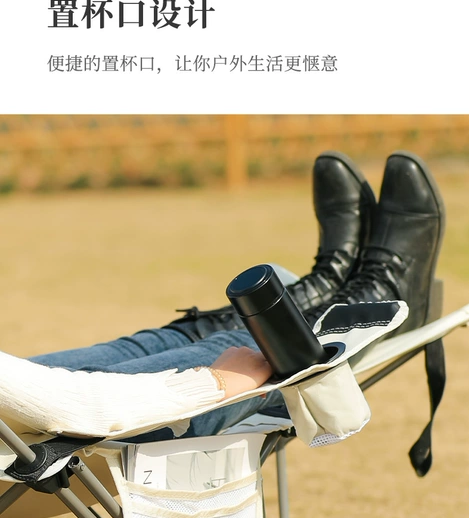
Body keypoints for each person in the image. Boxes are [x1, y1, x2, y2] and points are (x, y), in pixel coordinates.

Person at [0, 150, 444, 439]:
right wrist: (211, 384)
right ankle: (363, 307)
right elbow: (79, 410)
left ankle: (329, 288)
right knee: (255, 345)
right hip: (60, 441)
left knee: (138, 347)